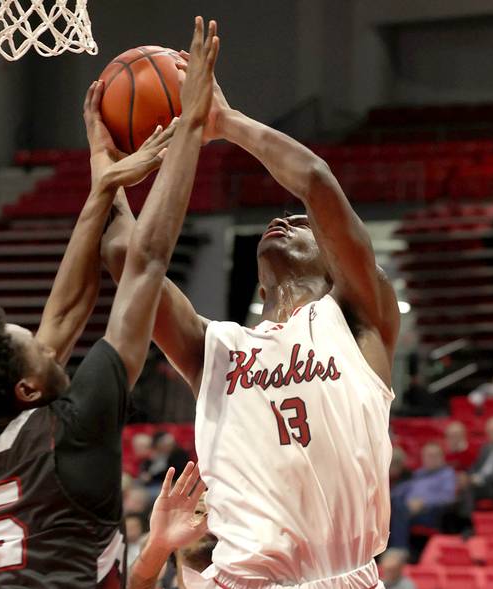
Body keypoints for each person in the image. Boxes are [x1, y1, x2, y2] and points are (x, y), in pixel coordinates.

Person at [98, 31, 400, 589]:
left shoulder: (359, 318)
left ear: (336, 262)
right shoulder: (215, 347)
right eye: (280, 221)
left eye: (304, 227)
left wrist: (223, 121)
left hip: (344, 576)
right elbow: (124, 256)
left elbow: (315, 182)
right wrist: (109, 171)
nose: (284, 221)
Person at [0, 16, 220, 588]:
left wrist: (104, 182)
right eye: (33, 346)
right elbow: (146, 262)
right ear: (27, 389)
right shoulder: (73, 426)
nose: (45, 338)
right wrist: (186, 127)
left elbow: (63, 315)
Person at [389, 443, 456, 550]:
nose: (431, 459)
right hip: (407, 508)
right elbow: (402, 489)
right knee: (391, 505)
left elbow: (448, 497)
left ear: (442, 457)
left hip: (430, 512)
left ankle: (398, 550)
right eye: (428, 456)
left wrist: (423, 502)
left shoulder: (447, 474)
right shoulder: (419, 474)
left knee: (399, 510)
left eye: (434, 456)